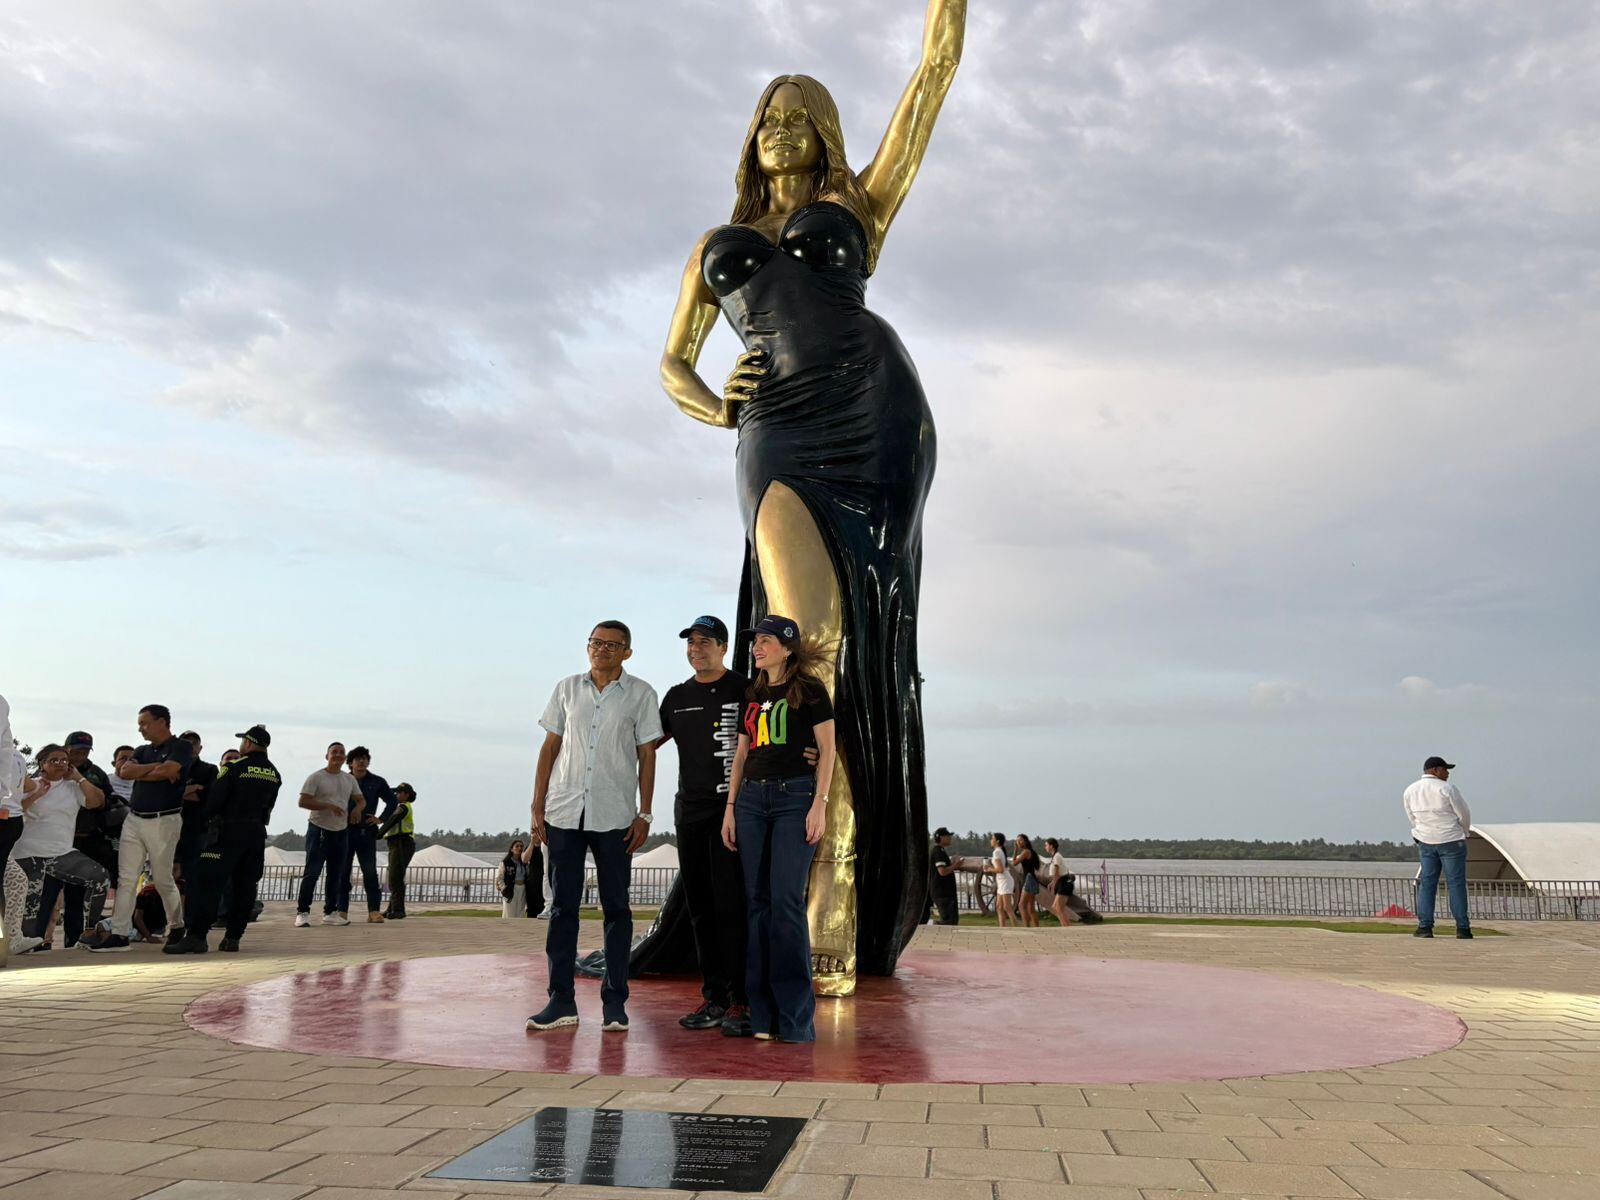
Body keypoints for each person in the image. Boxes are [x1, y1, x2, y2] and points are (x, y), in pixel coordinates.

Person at [659, 0, 967, 994]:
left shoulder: (861, 205)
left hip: (873, 414)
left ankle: (832, 889)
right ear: (753, 136)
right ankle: (790, 881)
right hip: (776, 429)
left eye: (801, 117)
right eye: (770, 117)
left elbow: (932, 78)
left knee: (833, 648)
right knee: (797, 635)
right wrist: (714, 405)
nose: (783, 130)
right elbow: (671, 361)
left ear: (824, 132)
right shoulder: (717, 240)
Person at [524, 621, 661, 1033]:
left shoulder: (641, 694)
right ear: (588, 647)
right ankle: (560, 1001)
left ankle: (615, 1003)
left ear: (627, 652)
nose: (602, 649)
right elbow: (550, 746)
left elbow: (647, 754)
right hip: (564, 812)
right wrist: (537, 805)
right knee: (562, 909)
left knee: (617, 909)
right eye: (596, 642)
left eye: (612, 645)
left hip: (615, 816)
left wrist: (645, 813)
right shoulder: (567, 689)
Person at [723, 615, 837, 1043]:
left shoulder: (810, 690)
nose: (757, 647)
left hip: (795, 798)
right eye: (755, 641)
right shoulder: (753, 693)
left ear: (787, 648)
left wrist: (819, 804)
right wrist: (730, 808)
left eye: (765, 641)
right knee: (757, 903)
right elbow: (741, 754)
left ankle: (795, 1020)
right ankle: (762, 1016)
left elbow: (827, 750)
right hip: (751, 801)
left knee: (786, 902)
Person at [658, 615, 753, 1037]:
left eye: (705, 642)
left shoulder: (746, 690)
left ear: (724, 648)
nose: (696, 649)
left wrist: (809, 753)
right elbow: (644, 744)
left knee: (733, 906)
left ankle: (743, 999)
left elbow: (780, 734)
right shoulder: (677, 697)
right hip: (691, 813)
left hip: (735, 813)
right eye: (691, 643)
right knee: (700, 909)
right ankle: (714, 996)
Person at [80, 705, 194, 952]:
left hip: (164, 820)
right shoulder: (142, 750)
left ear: (162, 722)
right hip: (134, 819)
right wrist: (155, 769)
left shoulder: (181, 747)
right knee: (127, 878)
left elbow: (169, 770)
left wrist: (149, 771)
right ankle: (120, 933)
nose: (140, 728)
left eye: (144, 723)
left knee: (162, 878)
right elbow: (125, 771)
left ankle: (176, 925)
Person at [166, 726, 282, 955]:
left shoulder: (233, 767)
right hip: (256, 833)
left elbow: (214, 802)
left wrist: (205, 821)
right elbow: (269, 805)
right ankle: (233, 938)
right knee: (245, 886)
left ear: (248, 743)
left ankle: (197, 936)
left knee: (208, 884)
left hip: (227, 832)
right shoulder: (274, 772)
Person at [9, 745, 109, 953]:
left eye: (64, 760)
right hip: (29, 853)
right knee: (31, 912)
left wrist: (79, 778)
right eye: (54, 760)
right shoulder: (31, 784)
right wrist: (36, 794)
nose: (60, 763)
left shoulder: (73, 786)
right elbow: (15, 811)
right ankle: (22, 948)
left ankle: (89, 932)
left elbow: (96, 802)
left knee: (100, 877)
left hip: (62, 853)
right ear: (42, 764)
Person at [1404, 756, 1474, 939]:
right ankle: (1462, 928)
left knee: (1427, 884)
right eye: (1445, 769)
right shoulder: (1447, 788)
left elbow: (1411, 816)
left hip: (1426, 841)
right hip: (1451, 840)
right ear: (1435, 770)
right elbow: (1463, 812)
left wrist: (1421, 831)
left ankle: (1425, 927)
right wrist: (1464, 831)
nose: (1447, 773)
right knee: (1456, 883)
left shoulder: (1410, 790)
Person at [294, 742, 363, 927]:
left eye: (341, 752)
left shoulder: (349, 779)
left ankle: (330, 912)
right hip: (319, 829)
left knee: (336, 874)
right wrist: (326, 805)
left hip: (341, 831)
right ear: (327, 756)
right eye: (334, 752)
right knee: (312, 873)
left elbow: (360, 800)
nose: (338, 755)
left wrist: (357, 809)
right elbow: (303, 801)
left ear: (345, 757)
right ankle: (302, 912)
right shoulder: (316, 777)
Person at [65, 732, 123, 937]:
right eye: (76, 750)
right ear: (67, 749)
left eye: (85, 751)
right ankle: (48, 939)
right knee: (56, 895)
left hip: (90, 839)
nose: (81, 755)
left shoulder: (96, 773)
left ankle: (80, 938)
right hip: (61, 839)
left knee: (84, 894)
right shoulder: (55, 768)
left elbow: (108, 801)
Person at [341, 747, 392, 924]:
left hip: (366, 833)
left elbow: (392, 801)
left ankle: (374, 911)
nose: (362, 762)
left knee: (370, 872)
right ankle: (341, 910)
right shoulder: (342, 779)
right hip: (344, 831)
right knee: (342, 872)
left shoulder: (377, 781)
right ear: (350, 763)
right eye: (357, 759)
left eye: (365, 758)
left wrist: (381, 819)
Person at [175, 731, 218, 933]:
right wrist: (191, 789)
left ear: (200, 748)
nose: (190, 747)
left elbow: (207, 798)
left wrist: (180, 793)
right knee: (166, 878)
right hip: (168, 829)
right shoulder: (170, 767)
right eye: (186, 743)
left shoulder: (209, 770)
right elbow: (165, 796)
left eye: (194, 744)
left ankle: (192, 924)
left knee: (194, 879)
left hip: (197, 831)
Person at [378, 782, 416, 919]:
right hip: (396, 843)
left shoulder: (403, 807)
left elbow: (391, 822)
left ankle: (399, 910)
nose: (396, 795)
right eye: (396, 792)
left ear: (407, 795)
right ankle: (392, 908)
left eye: (399, 792)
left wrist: (377, 834)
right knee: (394, 876)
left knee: (396, 877)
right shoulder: (400, 807)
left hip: (402, 843)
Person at [501, 838, 544, 918]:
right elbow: (499, 877)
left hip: (522, 888)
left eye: (521, 846)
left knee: (520, 911)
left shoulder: (523, 863)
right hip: (511, 889)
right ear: (511, 849)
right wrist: (503, 888)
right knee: (509, 912)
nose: (519, 848)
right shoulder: (506, 862)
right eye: (517, 846)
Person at [927, 827, 959, 925]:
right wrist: (955, 865)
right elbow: (942, 871)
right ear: (941, 837)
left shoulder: (940, 851)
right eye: (948, 836)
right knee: (948, 921)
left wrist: (952, 863)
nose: (950, 838)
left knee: (951, 919)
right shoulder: (938, 852)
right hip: (942, 892)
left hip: (944, 891)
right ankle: (933, 926)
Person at [987, 832, 1015, 927]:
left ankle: (1017, 929)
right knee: (999, 907)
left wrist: (989, 869)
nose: (991, 840)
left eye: (992, 838)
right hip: (1002, 881)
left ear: (997, 841)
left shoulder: (997, 852)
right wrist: (991, 868)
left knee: (1007, 907)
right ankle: (1002, 928)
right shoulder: (999, 851)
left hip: (1005, 881)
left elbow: (1000, 870)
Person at [1014, 834, 1041, 928]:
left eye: (1020, 840)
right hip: (1032, 879)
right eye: (1017, 841)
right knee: (1030, 908)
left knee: (1021, 906)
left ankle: (1027, 927)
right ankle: (1036, 928)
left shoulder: (1026, 852)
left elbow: (1014, 863)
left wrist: (1015, 850)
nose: (1018, 842)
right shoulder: (1030, 851)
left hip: (1029, 879)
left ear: (1025, 841)